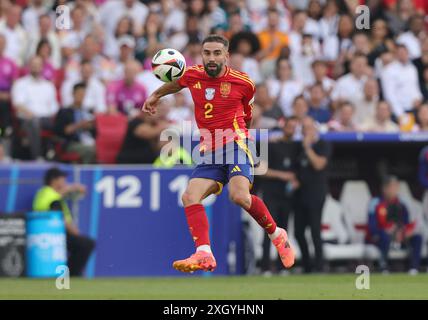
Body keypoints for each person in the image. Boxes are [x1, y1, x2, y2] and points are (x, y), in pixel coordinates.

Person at [142, 34, 295, 273]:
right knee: (189, 197)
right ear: (201, 55)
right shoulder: (192, 75)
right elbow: (178, 82)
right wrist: (156, 95)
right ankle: (204, 252)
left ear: (226, 56)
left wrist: (239, 135)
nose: (211, 58)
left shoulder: (244, 83)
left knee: (239, 196)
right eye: (207, 53)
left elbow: (248, 115)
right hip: (209, 150)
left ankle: (277, 234)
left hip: (236, 144)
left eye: (216, 53)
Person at [33, 167, 95, 276]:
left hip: (42, 233)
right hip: (53, 234)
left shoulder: (43, 192)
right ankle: (72, 275)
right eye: (62, 179)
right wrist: (75, 232)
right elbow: (60, 218)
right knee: (86, 244)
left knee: (82, 244)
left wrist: (70, 189)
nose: (65, 182)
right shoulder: (53, 197)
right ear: (54, 180)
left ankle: (70, 274)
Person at [259, 116, 300, 274]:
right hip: (271, 195)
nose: (291, 130)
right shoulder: (271, 145)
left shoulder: (296, 148)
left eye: (294, 127)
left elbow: (299, 171)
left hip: (287, 196)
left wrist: (296, 181)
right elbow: (261, 170)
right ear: (283, 127)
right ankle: (265, 267)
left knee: (284, 232)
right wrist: (282, 175)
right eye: (289, 126)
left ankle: (284, 266)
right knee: (268, 231)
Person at [294, 117, 331, 273]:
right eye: (304, 128)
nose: (307, 131)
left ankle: (320, 266)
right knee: (298, 232)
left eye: (310, 128)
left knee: (315, 230)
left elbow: (318, 164)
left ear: (315, 129)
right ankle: (307, 265)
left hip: (317, 193)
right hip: (300, 194)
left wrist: (308, 148)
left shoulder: (323, 145)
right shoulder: (298, 148)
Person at [367, 175, 422, 274]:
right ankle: (383, 267)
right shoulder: (375, 203)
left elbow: (406, 222)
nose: (394, 190)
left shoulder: (401, 204)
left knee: (417, 238)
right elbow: (372, 227)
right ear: (384, 188)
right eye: (392, 187)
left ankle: (414, 269)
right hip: (380, 237)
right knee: (384, 236)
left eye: (396, 187)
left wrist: (402, 232)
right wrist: (387, 231)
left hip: (398, 236)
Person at [54, 82, 96, 164]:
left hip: (88, 140)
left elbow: (95, 132)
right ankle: (85, 173)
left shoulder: (87, 112)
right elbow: (61, 131)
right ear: (73, 94)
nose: (81, 96)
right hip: (72, 143)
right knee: (90, 150)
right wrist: (79, 125)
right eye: (79, 94)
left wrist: (90, 127)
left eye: (83, 94)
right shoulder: (65, 111)